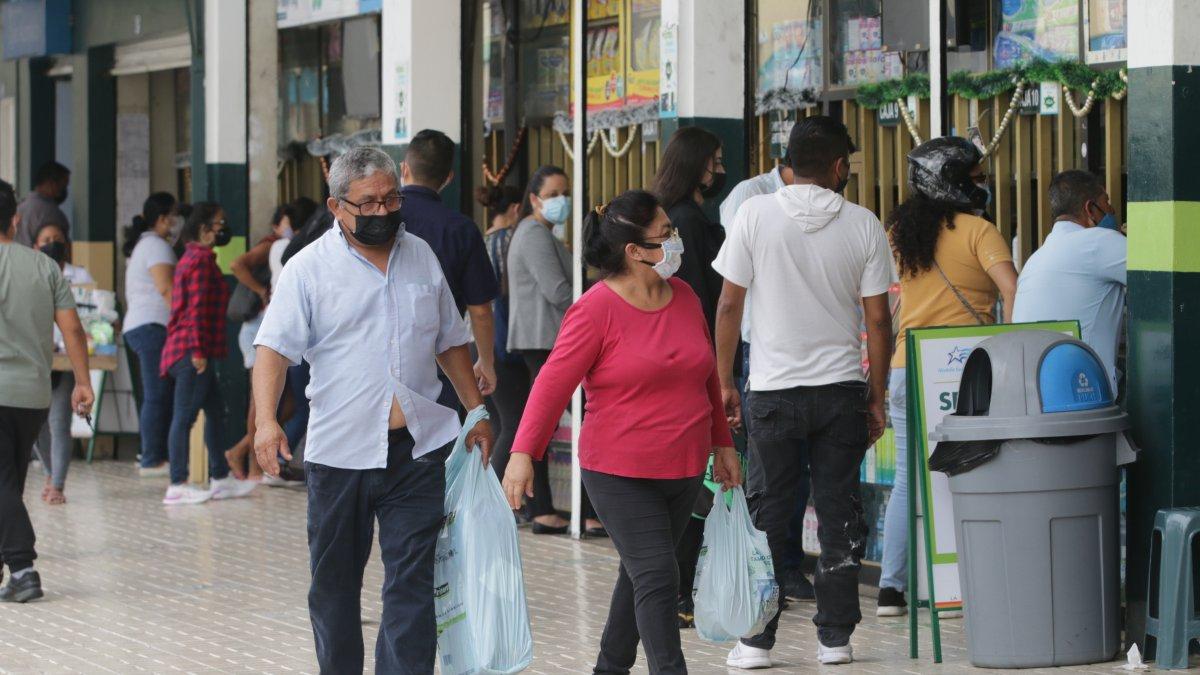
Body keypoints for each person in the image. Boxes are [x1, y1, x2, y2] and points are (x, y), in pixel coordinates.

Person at [250, 146, 494, 674]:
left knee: (411, 585)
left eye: (391, 200)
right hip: (340, 454)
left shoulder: (422, 255)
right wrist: (266, 422)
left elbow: (450, 341)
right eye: (368, 204)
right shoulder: (308, 269)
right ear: (337, 206)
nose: (383, 213)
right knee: (334, 586)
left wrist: (476, 413)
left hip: (417, 452)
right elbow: (272, 349)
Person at [503, 190, 740, 674]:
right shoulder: (595, 310)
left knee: (639, 576)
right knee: (658, 574)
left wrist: (723, 443)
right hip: (619, 471)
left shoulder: (687, 297)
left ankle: (608, 668)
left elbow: (707, 379)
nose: (676, 241)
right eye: (665, 234)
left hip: (685, 466)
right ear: (634, 251)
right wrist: (523, 452)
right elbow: (551, 384)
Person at [712, 116, 896, 667]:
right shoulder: (864, 224)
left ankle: (755, 641)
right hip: (840, 392)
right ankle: (834, 639)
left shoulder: (753, 214)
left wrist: (723, 381)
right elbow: (880, 322)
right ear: (840, 167)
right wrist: (877, 395)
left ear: (787, 160)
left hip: (771, 392)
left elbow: (727, 305)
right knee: (839, 509)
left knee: (770, 510)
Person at [877, 137, 1018, 617]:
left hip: (905, 366)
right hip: (964, 369)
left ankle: (891, 589)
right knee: (976, 470)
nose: (984, 185)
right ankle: (964, 581)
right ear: (955, 181)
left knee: (907, 481)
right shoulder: (980, 231)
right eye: (977, 177)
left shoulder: (898, 231)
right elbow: (1012, 291)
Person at [714, 161, 815, 608]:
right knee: (769, 470)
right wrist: (725, 374)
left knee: (803, 470)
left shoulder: (828, 205)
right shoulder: (749, 198)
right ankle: (765, 569)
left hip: (813, 350)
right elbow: (733, 293)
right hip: (764, 347)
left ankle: (787, 563)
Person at [0, 178, 94, 602]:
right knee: (8, 482)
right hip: (32, 397)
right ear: (15, 220)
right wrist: (83, 381)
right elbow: (72, 328)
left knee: (2, 486)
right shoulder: (44, 266)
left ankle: (22, 568)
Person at [507, 165, 602, 535]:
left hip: (550, 338)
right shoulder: (533, 234)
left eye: (565, 193)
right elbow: (559, 291)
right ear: (533, 199)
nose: (561, 201)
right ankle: (547, 508)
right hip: (544, 340)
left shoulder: (543, 233)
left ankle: (568, 509)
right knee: (566, 423)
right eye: (553, 195)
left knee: (555, 423)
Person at [159, 203, 257, 505]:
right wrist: (199, 353)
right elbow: (197, 311)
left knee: (215, 412)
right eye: (218, 223)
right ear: (203, 228)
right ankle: (177, 483)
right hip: (191, 352)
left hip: (190, 350)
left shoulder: (195, 257)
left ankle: (220, 477)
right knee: (185, 416)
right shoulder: (200, 261)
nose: (222, 228)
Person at [399, 129, 500, 402]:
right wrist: (485, 362)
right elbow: (480, 311)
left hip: (381, 362)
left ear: (404, 168)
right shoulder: (461, 229)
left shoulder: (383, 219)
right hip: (442, 365)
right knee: (440, 442)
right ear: (448, 178)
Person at [1013, 170, 1126, 392]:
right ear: (1090, 209)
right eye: (1107, 202)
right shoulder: (1099, 241)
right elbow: (1160, 280)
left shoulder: (1036, 259)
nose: (1112, 210)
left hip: (1032, 391)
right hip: (1084, 392)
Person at [223, 204, 297, 480]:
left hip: (266, 330)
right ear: (277, 224)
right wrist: (261, 290)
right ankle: (254, 467)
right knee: (261, 403)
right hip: (257, 330)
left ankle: (239, 450)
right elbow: (235, 264)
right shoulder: (272, 245)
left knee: (287, 403)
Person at [30, 223, 95, 504]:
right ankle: (49, 471)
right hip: (37, 359)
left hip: (65, 360)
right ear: (35, 245)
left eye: (57, 239)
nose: (52, 243)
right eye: (46, 239)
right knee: (37, 424)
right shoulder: (31, 272)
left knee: (58, 422)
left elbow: (84, 320)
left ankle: (57, 483)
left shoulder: (78, 276)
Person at [122, 192, 179, 478]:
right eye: (174, 215)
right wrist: (183, 321)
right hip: (152, 326)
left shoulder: (145, 245)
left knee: (154, 393)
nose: (176, 221)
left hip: (141, 326)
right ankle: (152, 457)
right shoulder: (156, 246)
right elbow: (165, 288)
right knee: (156, 394)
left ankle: (151, 453)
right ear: (162, 218)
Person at [477, 183, 529, 482]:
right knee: (513, 422)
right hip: (498, 340)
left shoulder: (483, 239)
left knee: (497, 423)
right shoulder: (507, 240)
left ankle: (492, 492)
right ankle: (496, 495)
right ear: (515, 209)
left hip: (476, 339)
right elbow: (503, 297)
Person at [652, 126, 727, 331]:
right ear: (696, 164)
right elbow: (695, 289)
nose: (721, 171)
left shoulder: (677, 213)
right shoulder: (686, 219)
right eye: (717, 162)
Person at [15, 161, 71, 247]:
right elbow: (64, 248)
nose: (63, 190)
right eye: (63, 185)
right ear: (52, 183)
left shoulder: (19, 207)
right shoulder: (52, 212)